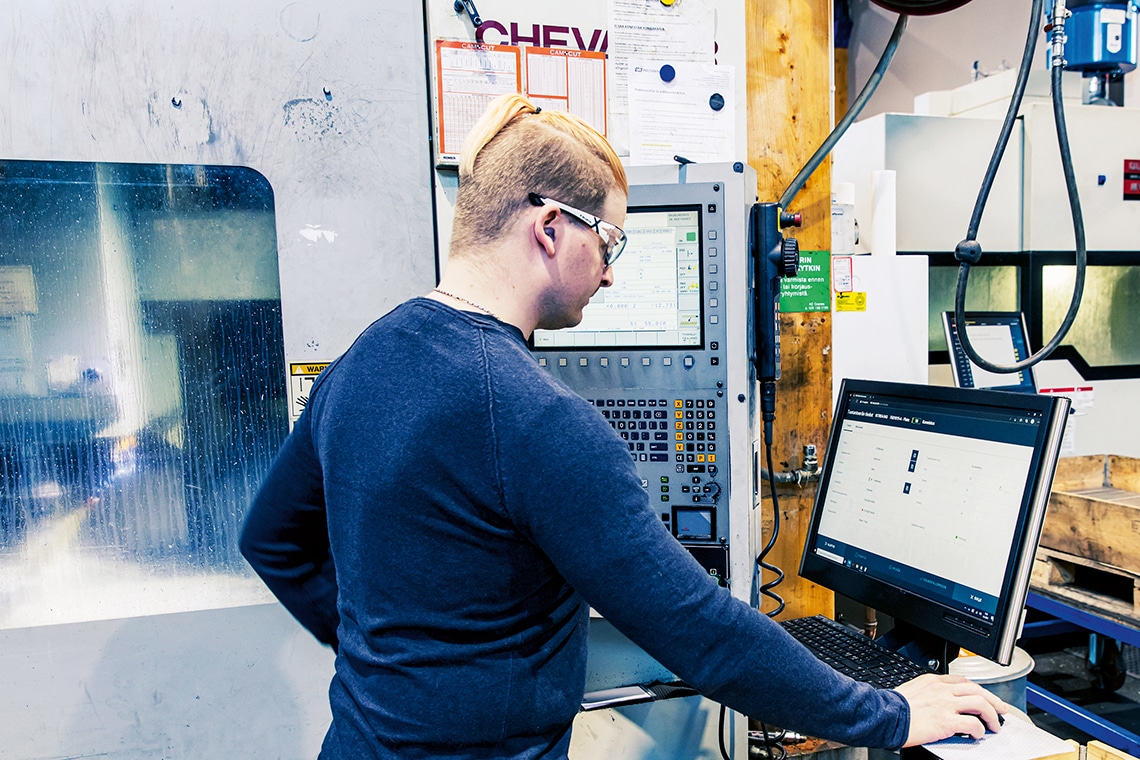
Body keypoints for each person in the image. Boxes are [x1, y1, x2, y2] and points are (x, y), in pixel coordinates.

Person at [240, 93, 1007, 759]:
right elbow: (701, 631)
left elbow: (272, 541)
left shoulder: (364, 359)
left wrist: (389, 666)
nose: (609, 273)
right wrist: (892, 714)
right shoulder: (537, 420)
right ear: (550, 227)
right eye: (609, 243)